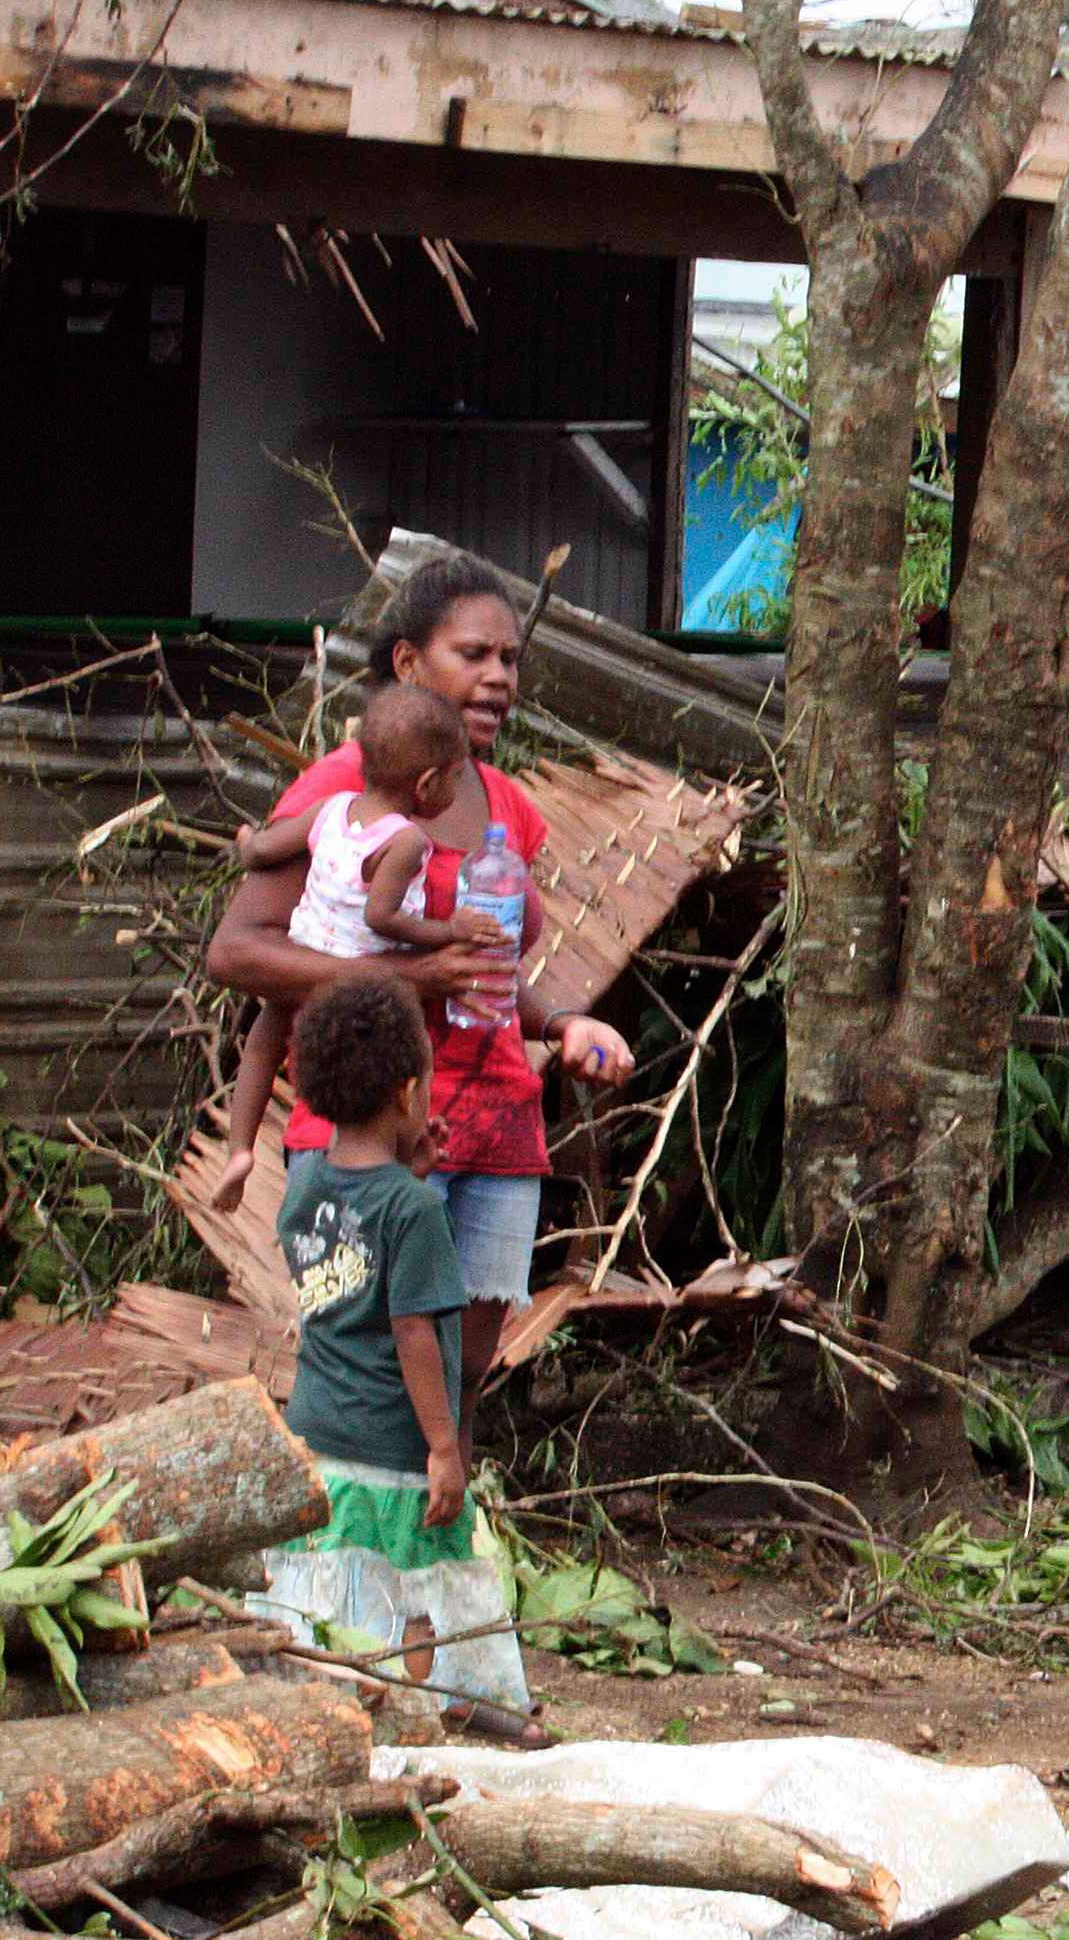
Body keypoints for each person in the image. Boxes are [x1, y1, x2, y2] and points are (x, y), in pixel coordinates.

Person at [207, 555, 634, 1464]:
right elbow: (238, 951)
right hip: (374, 1125)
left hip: (496, 1123)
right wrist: (409, 980)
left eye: (511, 659)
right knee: (372, 1362)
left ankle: (440, 1563)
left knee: (464, 1374)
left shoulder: (507, 805)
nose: (498, 678)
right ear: (406, 662)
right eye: (472, 652)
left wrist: (560, 1022)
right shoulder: (347, 791)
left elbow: (477, 967)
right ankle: (350, 1570)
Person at [249, 974, 535, 1726]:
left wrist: (406, 1170)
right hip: (394, 1440)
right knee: (415, 1583)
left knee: (334, 1575)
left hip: (316, 1425)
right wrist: (445, 1445)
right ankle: (434, 1705)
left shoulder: (304, 1181)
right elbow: (412, 1332)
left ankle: (327, 1697)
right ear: (409, 1091)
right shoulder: (414, 1213)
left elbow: (349, 1261)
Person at [213, 685, 509, 1212]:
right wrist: (447, 931)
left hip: (307, 947)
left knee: (265, 1038)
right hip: (366, 967)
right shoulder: (406, 841)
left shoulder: (330, 809)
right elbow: (382, 916)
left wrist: (245, 841)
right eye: (456, 778)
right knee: (415, 1050)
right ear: (426, 783)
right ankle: (411, 1149)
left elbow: (263, 850)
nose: (458, 791)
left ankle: (239, 1149)